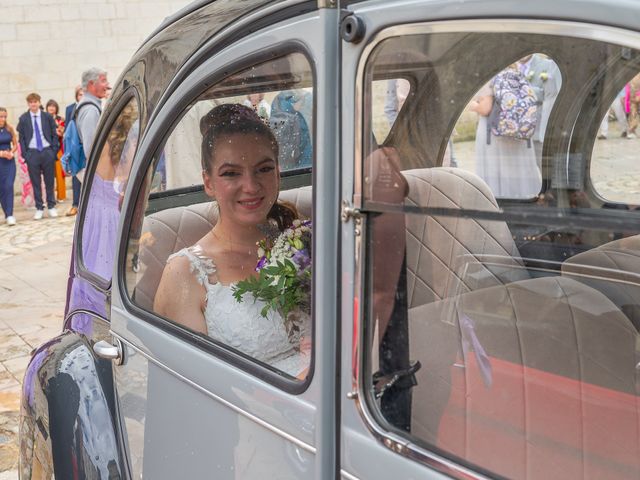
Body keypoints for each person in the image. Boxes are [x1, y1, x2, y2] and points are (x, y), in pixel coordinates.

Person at [154, 104, 310, 378]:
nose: (250, 186)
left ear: (278, 173)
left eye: (263, 169)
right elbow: (195, 387)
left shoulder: (302, 244)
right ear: (208, 182)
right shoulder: (185, 273)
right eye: (230, 173)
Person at [470, 65, 541, 199]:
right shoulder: (516, 71)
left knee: (498, 170)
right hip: (519, 130)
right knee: (517, 168)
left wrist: (472, 105)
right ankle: (525, 197)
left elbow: (485, 108)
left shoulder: (488, 75)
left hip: (495, 134)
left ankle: (500, 202)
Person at [16, 92, 60, 219]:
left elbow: (54, 135)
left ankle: (51, 206)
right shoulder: (23, 119)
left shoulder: (47, 117)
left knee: (49, 180)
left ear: (39, 102)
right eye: (31, 102)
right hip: (32, 153)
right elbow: (22, 139)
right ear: (28, 104)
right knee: (36, 182)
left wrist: (53, 151)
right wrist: (26, 155)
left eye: (35, 102)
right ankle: (39, 207)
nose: (33, 104)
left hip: (47, 151)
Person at [76, 68, 110, 182]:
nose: (107, 85)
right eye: (104, 81)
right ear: (91, 84)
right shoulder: (91, 110)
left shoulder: (89, 106)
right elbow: (91, 150)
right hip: (99, 174)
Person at [64, 85, 83, 215]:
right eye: (80, 94)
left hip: (85, 146)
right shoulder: (70, 108)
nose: (82, 97)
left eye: (84, 94)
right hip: (75, 147)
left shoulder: (90, 108)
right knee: (76, 177)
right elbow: (68, 131)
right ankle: (75, 204)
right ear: (76, 95)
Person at [0, 108, 18, 226]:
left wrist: (11, 152)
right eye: (1, 116)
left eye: (5, 116)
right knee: (2, 188)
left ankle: (10, 214)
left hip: (9, 162)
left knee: (9, 186)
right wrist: (1, 153)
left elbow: (16, 144)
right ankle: (6, 213)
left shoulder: (9, 128)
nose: (3, 119)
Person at [46, 99, 66, 202]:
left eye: (53, 106)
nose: (51, 108)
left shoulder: (61, 119)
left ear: (56, 108)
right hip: (47, 149)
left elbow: (62, 133)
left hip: (58, 148)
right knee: (48, 174)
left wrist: (55, 131)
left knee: (59, 173)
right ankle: (49, 197)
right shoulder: (43, 118)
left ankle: (61, 196)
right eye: (49, 106)